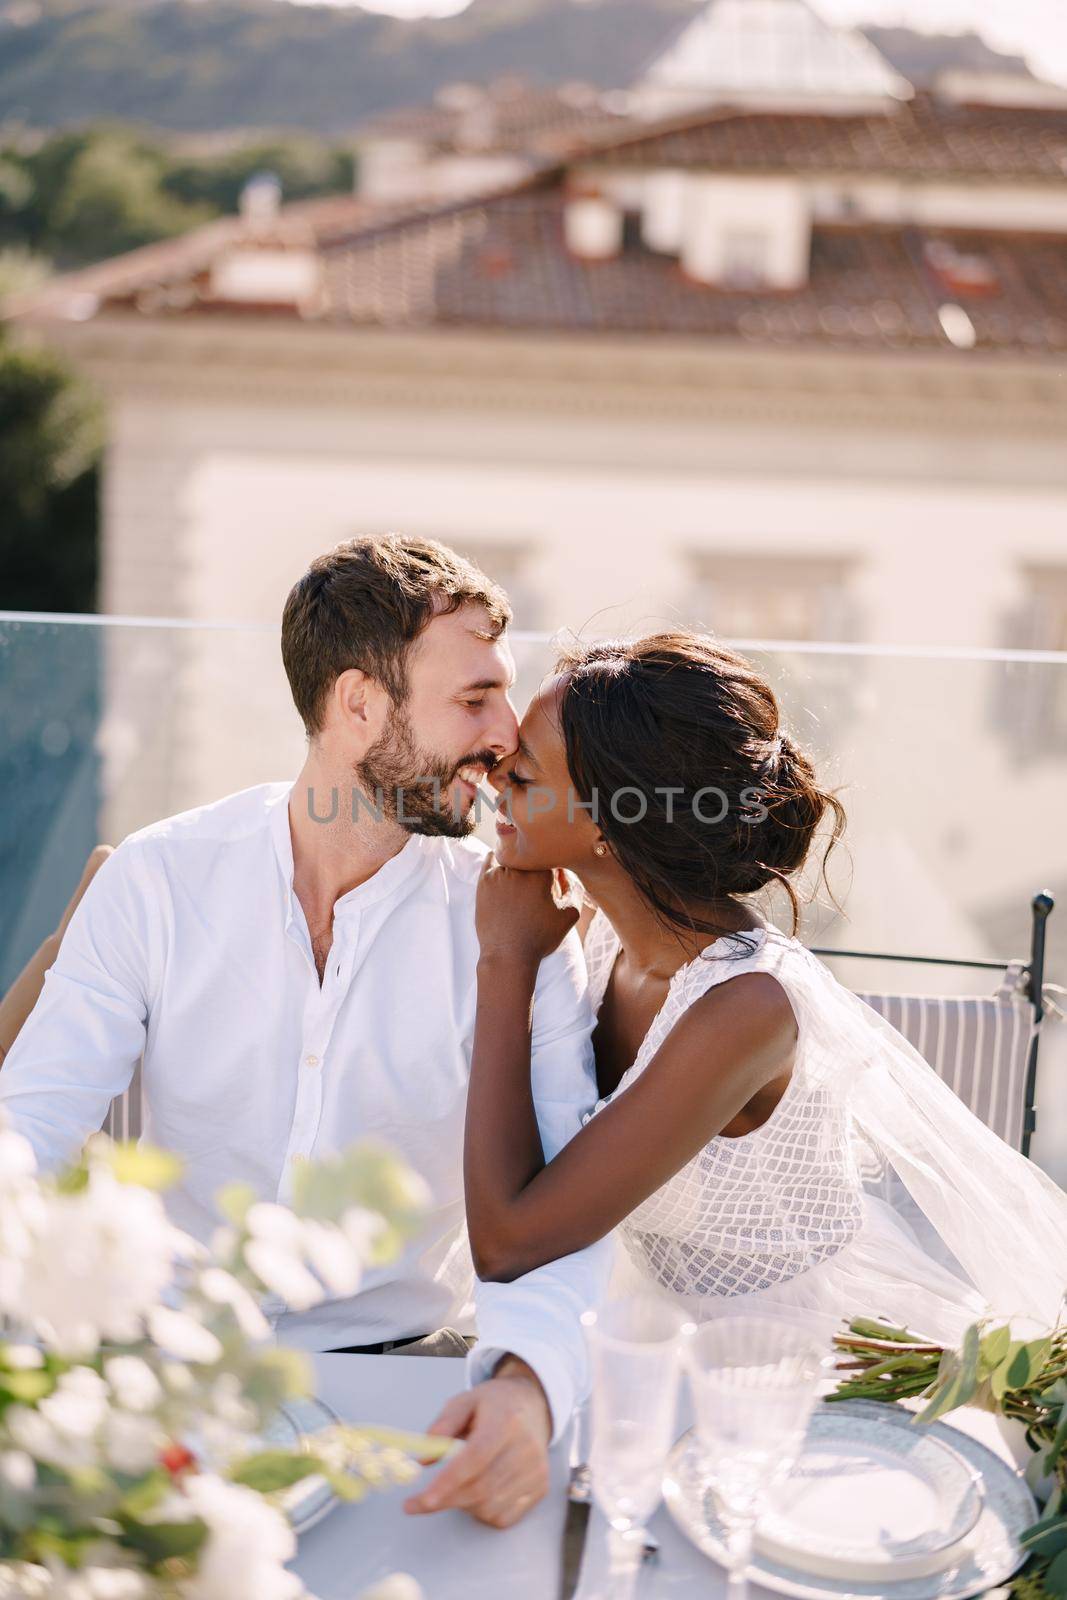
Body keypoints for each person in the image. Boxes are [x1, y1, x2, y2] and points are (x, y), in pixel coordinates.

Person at [0, 535, 611, 1529]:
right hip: (164, 1382)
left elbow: (567, 1197)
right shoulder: (159, 880)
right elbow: (23, 1135)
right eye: (473, 698)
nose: (506, 731)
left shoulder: (522, 924)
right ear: (357, 704)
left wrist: (528, 1384)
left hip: (410, 1400)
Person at [464, 631, 1067, 1339]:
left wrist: (503, 965)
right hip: (651, 1329)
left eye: (525, 777)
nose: (493, 778)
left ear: (613, 822)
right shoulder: (598, 936)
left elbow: (507, 1244)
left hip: (812, 1355)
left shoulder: (744, 1006)